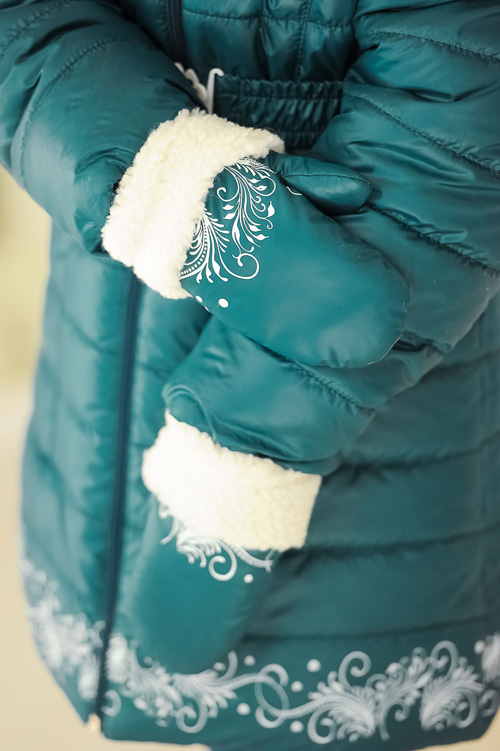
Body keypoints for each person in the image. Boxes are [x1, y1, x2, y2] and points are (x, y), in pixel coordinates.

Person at [1, 1, 500, 749]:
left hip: (370, 487)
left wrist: (238, 459)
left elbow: (461, 99)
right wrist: (156, 181)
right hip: (93, 409)